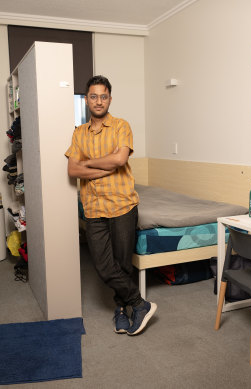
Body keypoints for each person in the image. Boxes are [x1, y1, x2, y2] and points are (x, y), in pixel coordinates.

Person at [65, 75, 156, 336]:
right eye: (93, 96)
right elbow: (73, 169)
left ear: (110, 99)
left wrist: (90, 163)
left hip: (123, 205)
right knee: (105, 267)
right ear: (86, 100)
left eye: (103, 96)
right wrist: (106, 166)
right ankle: (140, 304)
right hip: (93, 207)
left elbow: (119, 159)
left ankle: (121, 311)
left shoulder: (121, 126)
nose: (98, 101)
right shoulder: (79, 133)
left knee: (123, 263)